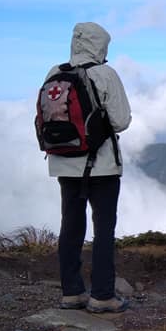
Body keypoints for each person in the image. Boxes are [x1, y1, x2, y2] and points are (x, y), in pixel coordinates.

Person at [47, 22, 132, 314]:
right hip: (101, 165)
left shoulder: (55, 74)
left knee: (70, 225)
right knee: (103, 228)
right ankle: (102, 295)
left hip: (64, 162)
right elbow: (121, 121)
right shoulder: (105, 73)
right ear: (101, 45)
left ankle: (72, 293)